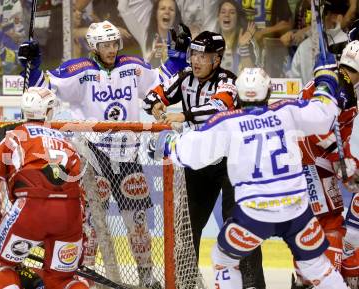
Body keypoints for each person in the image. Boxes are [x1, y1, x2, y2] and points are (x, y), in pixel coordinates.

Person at [18, 19, 190, 288]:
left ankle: (146, 276)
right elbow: (42, 90)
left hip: (129, 158)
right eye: (105, 45)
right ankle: (88, 276)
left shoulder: (133, 66)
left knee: (139, 223)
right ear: (93, 46)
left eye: (114, 43)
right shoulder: (78, 70)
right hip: (92, 158)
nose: (111, 49)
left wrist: (178, 59)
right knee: (91, 224)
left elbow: (161, 82)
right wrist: (33, 65)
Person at [149, 61, 350, 289]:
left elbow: (191, 152)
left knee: (223, 260)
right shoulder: (288, 111)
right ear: (269, 92)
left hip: (255, 214)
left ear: (239, 95)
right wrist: (325, 79)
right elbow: (324, 114)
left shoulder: (228, 123)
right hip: (296, 212)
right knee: (317, 267)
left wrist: (167, 144)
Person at [143, 31, 265, 289]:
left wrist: (182, 115)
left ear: (217, 60)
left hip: (231, 164)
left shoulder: (228, 81)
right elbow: (151, 96)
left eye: (204, 56)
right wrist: (155, 105)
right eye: (194, 54)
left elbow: (217, 109)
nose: (196, 60)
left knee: (239, 227)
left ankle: (253, 285)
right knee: (186, 228)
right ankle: (185, 283)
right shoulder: (185, 77)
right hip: (199, 162)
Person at [0, 86, 89, 289]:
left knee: (1, 263)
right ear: (48, 111)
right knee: (63, 279)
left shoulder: (14, 136)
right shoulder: (67, 142)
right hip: (69, 215)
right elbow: (80, 192)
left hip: (31, 209)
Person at [291, 37, 359, 288]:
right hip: (304, 159)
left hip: (314, 161)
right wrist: (339, 158)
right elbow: (310, 126)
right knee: (326, 223)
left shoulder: (348, 94)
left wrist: (348, 166)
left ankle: (306, 279)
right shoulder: (328, 83)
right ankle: (317, 280)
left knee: (326, 221)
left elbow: (344, 139)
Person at [288, 0, 348, 84]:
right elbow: (292, 82)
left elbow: (292, 84)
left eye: (326, 13)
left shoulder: (348, 45)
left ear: (337, 17)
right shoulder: (305, 47)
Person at [118, 0, 182, 67]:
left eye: (171, 9)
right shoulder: (145, 35)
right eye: (162, 8)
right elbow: (122, 8)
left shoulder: (182, 42)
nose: (167, 12)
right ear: (156, 13)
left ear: (175, 16)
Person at [216, 0, 257, 74]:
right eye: (223, 12)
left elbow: (252, 75)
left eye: (232, 12)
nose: (227, 15)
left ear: (237, 18)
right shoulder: (212, 43)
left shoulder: (248, 42)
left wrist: (243, 47)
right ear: (218, 17)